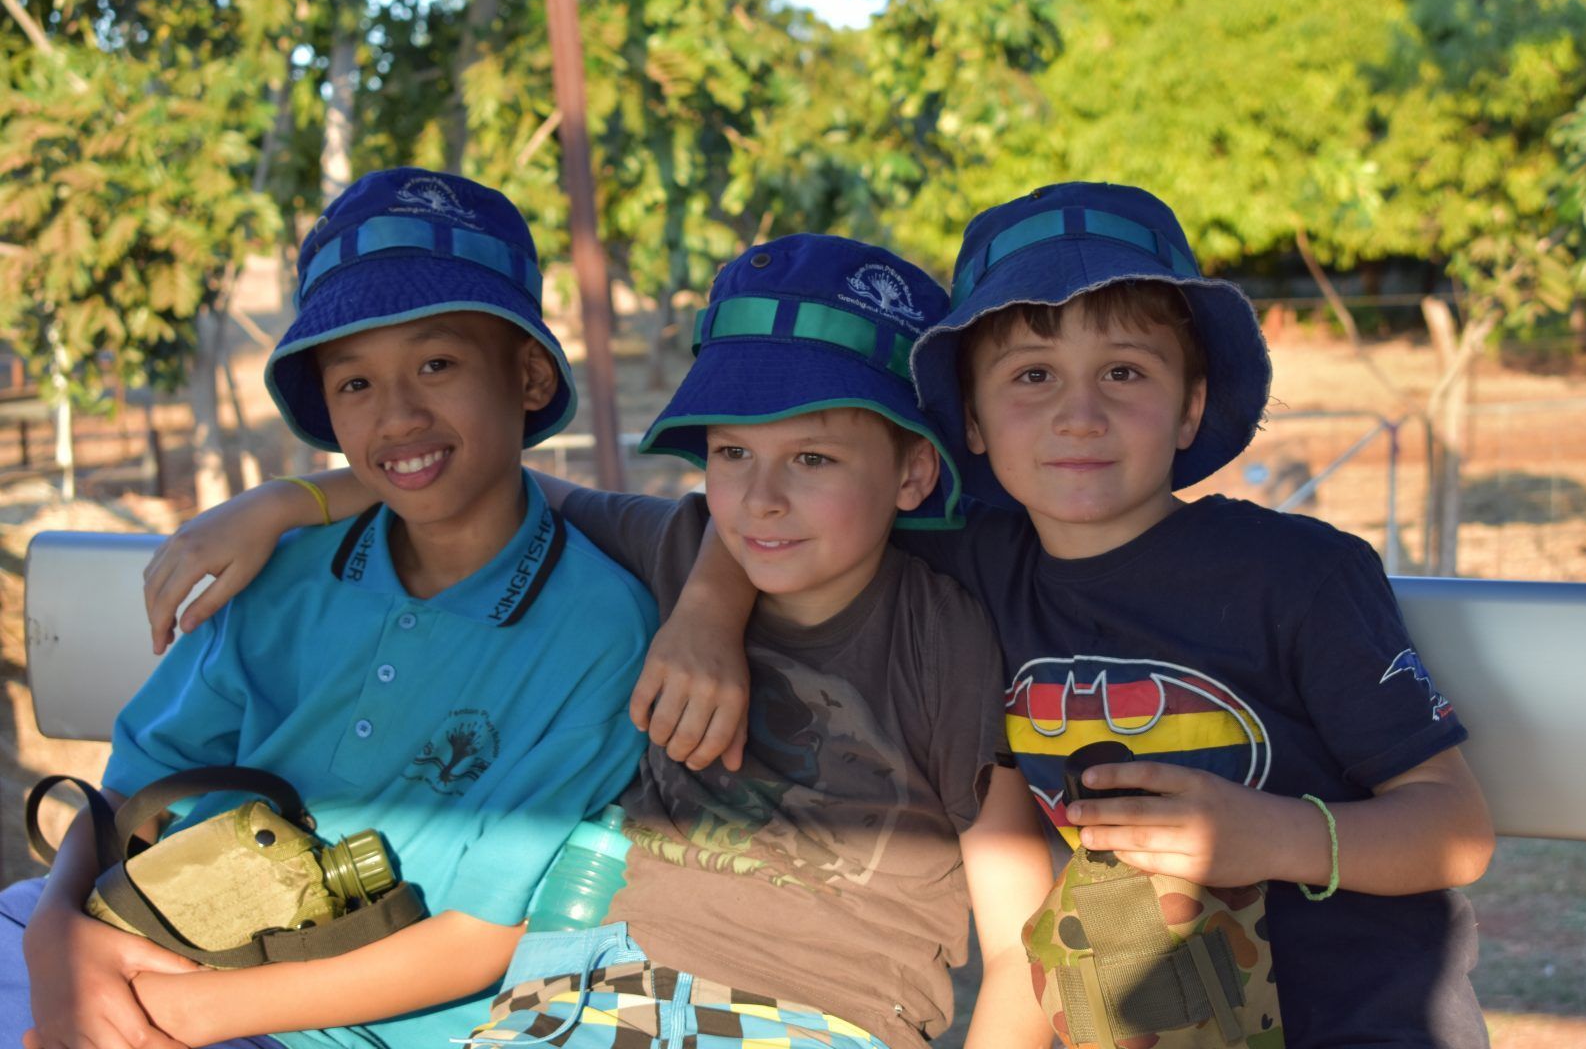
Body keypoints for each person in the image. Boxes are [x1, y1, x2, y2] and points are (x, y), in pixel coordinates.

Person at [628, 183, 1498, 1045]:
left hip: (1368, 1024)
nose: (1079, 417)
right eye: (1032, 376)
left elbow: (1455, 831)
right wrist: (708, 607)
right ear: (968, 419)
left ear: (1191, 403)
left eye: (1124, 372)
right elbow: (771, 513)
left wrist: (1271, 836)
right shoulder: (970, 565)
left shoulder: (1300, 572)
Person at [139, 234, 1054, 1049]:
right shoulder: (675, 548)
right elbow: (470, 475)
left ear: (914, 470)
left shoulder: (947, 637)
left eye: (812, 459)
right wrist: (281, 502)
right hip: (577, 992)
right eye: (731, 454)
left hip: (807, 1013)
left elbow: (1021, 945)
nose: (763, 498)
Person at [3, 168, 656, 1049]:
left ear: (530, 374)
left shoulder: (597, 628)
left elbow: (480, 936)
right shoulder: (285, 572)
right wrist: (57, 940)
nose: (397, 417)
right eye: (354, 384)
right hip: (147, 937)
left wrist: (178, 1014)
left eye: (437, 363)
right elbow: (133, 785)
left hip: (345, 1024)